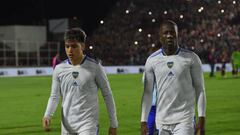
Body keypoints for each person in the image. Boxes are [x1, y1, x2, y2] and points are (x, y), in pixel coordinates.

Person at [42, 27, 118, 135]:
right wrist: (48, 114)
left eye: (74, 46)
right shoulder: (59, 69)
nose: (69, 50)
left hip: (88, 124)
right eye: (67, 46)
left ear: (82, 46)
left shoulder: (95, 67)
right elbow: (54, 96)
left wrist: (113, 124)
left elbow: (107, 95)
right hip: (67, 125)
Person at [141, 20, 206, 135]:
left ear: (177, 35)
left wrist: (202, 117)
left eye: (172, 32)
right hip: (161, 121)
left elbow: (200, 89)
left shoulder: (191, 58)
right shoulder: (152, 60)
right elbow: (147, 93)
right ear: (160, 37)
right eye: (165, 33)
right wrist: (143, 121)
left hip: (185, 120)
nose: (169, 35)